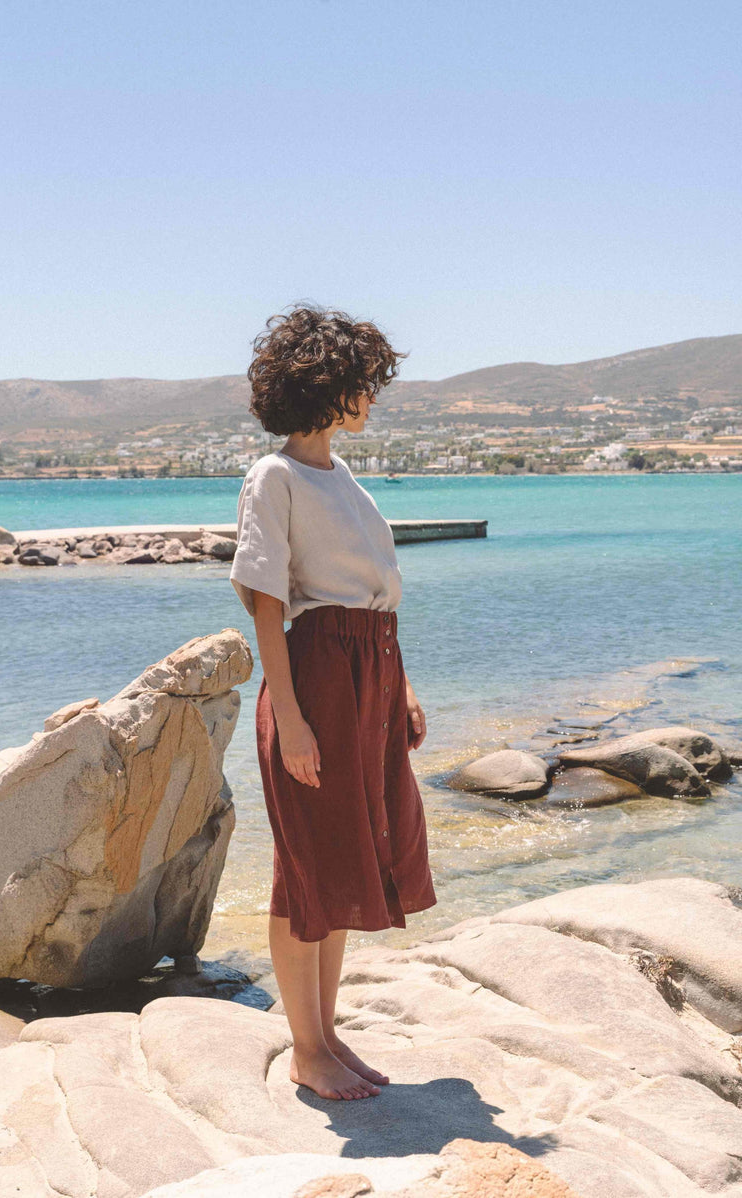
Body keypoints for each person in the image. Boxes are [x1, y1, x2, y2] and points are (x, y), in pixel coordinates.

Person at [229, 303, 437, 1102]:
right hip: (316, 676)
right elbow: (265, 603)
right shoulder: (273, 476)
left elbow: (378, 595)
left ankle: (327, 1031)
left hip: (371, 672)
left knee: (352, 854)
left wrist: (404, 686)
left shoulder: (340, 475)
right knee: (307, 865)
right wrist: (291, 719)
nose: (372, 399)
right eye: (364, 385)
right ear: (329, 387)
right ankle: (305, 1050)